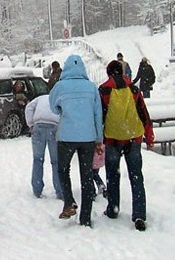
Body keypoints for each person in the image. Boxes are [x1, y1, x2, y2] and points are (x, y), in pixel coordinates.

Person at [98, 60, 154, 232]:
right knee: (136, 176)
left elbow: (99, 115)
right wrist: (149, 135)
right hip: (133, 137)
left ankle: (113, 209)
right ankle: (139, 214)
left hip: (112, 139)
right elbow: (143, 112)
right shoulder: (133, 89)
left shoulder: (104, 90)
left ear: (109, 73)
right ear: (122, 72)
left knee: (112, 175)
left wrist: (97, 139)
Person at [49, 54, 103, 227]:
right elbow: (97, 113)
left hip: (66, 136)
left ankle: (69, 201)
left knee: (63, 169)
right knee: (87, 176)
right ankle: (85, 218)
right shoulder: (91, 87)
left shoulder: (60, 86)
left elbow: (53, 107)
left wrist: (64, 109)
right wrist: (99, 138)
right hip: (88, 136)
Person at [25, 94, 62, 199]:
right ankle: (59, 190)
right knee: (56, 161)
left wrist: (30, 123)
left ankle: (37, 189)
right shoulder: (58, 98)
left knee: (38, 159)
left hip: (38, 126)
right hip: (54, 127)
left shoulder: (39, 98)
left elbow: (29, 107)